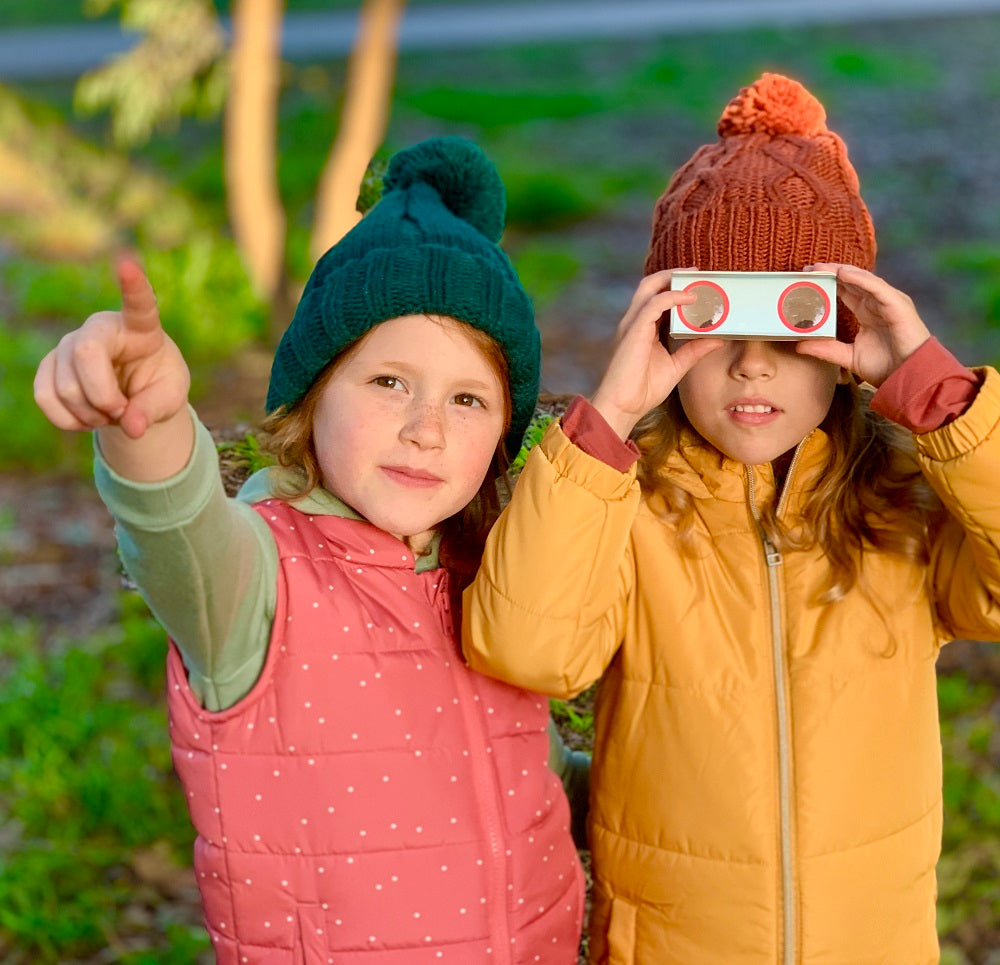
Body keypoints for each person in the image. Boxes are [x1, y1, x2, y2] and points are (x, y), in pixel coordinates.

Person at [462, 73, 1000, 963]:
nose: (753, 365)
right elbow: (526, 648)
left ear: (847, 339)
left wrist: (939, 395)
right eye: (714, 323)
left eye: (793, 324)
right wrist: (609, 420)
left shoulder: (900, 507)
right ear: (666, 328)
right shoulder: (625, 505)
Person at [34, 136, 586, 964]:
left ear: (504, 433)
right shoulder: (256, 585)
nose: (426, 428)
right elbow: (176, 524)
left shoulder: (489, 581)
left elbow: (532, 777)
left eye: (468, 399)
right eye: (389, 381)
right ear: (313, 394)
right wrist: (146, 421)